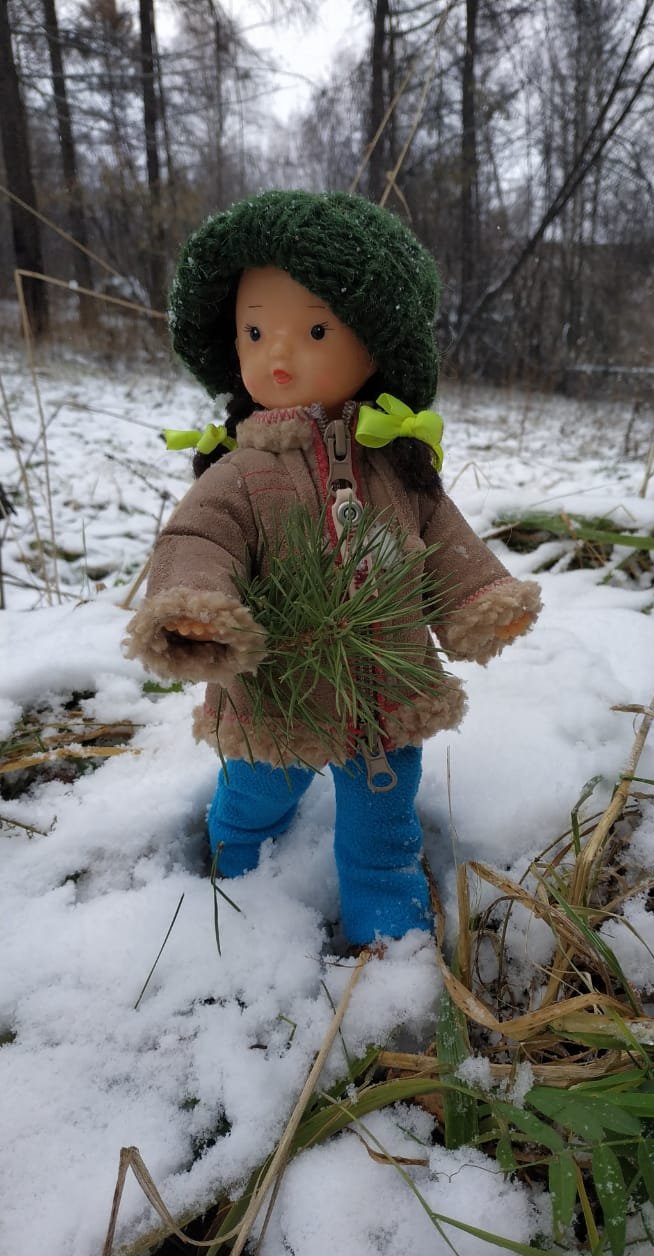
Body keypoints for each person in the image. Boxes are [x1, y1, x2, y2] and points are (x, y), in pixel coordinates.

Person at [125, 190, 541, 946]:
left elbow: (441, 539)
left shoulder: (397, 463)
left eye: (313, 330)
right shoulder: (241, 473)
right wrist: (194, 606)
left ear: (377, 345)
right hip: (275, 684)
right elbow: (199, 537)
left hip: (384, 690)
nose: (277, 356)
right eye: (255, 332)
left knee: (383, 823)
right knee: (255, 791)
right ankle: (230, 881)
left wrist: (479, 600)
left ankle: (391, 938)